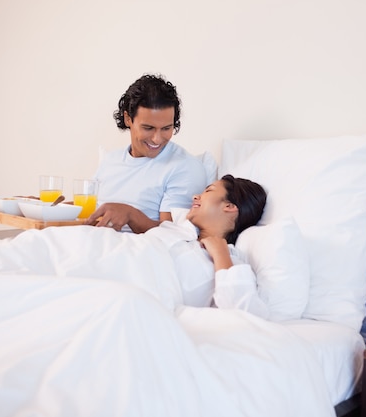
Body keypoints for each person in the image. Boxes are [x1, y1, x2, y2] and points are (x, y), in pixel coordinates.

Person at [86, 74, 207, 233]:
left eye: (166, 128)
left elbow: (175, 234)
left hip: (138, 251)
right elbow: (86, 211)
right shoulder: (111, 160)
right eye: (148, 128)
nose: (157, 139)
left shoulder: (185, 167)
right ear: (128, 119)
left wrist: (130, 215)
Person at [147, 174, 270, 318]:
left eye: (208, 191)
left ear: (229, 206)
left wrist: (220, 254)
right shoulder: (177, 231)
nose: (195, 197)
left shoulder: (231, 262)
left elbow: (246, 314)